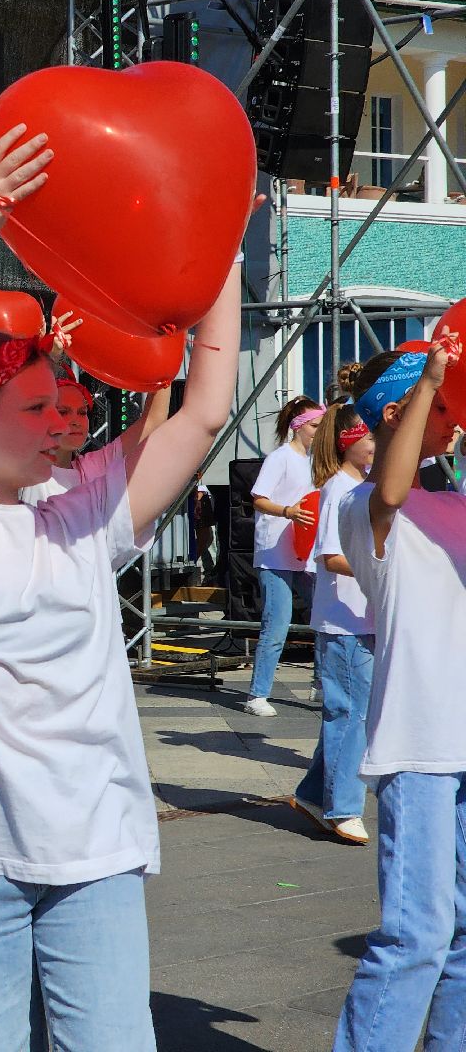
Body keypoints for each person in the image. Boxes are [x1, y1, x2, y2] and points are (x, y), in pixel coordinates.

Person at [0, 126, 256, 1051]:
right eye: (34, 407)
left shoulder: (83, 511)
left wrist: (219, 253)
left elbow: (204, 406)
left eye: (63, 408)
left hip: (96, 853)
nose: (62, 423)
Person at [332, 335, 466, 1050]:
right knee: (417, 933)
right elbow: (391, 487)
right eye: (439, 406)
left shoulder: (456, 501)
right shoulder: (364, 506)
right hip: (420, 744)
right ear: (398, 414)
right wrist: (430, 379)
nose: (452, 417)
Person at [289, 401, 375, 847]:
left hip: (361, 617)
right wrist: (379, 570)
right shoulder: (338, 489)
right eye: (371, 438)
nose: (377, 446)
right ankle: (343, 807)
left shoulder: (361, 486)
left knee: (351, 712)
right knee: (349, 713)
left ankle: (311, 793)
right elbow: (328, 554)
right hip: (344, 622)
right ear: (350, 443)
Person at [245, 395, 323, 716]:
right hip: (275, 552)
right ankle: (256, 695)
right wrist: (288, 511)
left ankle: (320, 684)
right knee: (277, 625)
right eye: (316, 426)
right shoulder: (280, 458)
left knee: (324, 618)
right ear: (300, 427)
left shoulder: (313, 462)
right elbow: (258, 499)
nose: (320, 431)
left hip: (303, 552)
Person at [20, 378, 171, 504]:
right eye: (63, 412)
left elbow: (152, 422)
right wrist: (51, 355)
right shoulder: (23, 465)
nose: (76, 421)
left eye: (82, 412)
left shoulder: (89, 467)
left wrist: (164, 364)